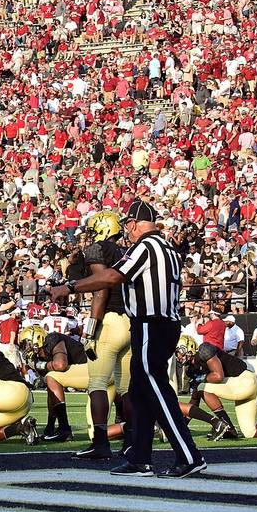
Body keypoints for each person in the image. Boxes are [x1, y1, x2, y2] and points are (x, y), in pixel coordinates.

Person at [49, 199, 206, 478]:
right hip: (160, 324)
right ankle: (140, 458)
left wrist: (70, 286)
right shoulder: (168, 248)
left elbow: (111, 277)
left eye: (128, 226)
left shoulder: (145, 246)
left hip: (150, 324)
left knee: (156, 389)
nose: (127, 232)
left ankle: (188, 455)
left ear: (133, 224)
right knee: (139, 392)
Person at [67, 210, 132, 460]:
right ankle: (131, 441)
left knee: (97, 384)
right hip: (129, 321)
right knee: (126, 388)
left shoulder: (97, 249)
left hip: (110, 321)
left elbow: (101, 290)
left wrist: (90, 328)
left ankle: (101, 442)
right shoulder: (125, 252)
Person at [176, 336, 257, 440]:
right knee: (251, 432)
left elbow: (218, 376)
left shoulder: (204, 351)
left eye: (180, 351)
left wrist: (201, 380)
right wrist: (183, 424)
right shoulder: (191, 370)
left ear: (190, 348)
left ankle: (227, 426)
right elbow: (195, 400)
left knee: (203, 386)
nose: (179, 356)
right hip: (240, 386)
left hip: (245, 380)